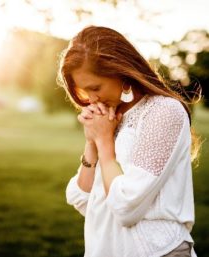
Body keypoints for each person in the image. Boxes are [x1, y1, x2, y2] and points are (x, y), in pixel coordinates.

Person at [56, 25, 202, 257]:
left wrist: (105, 143)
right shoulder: (111, 117)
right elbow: (82, 199)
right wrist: (92, 142)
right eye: (84, 91)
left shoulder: (163, 112)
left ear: (120, 71)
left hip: (158, 251)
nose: (91, 99)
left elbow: (126, 206)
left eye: (96, 87)